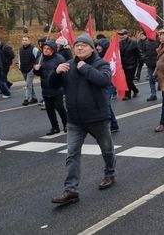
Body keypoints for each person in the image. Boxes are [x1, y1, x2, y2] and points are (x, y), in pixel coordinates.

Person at [50, 34, 115, 205]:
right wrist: (56, 73)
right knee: (71, 154)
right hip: (74, 120)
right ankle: (71, 190)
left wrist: (84, 68)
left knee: (106, 149)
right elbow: (52, 85)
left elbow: (104, 81)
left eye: (83, 45)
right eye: (76, 46)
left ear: (92, 48)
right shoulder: (68, 65)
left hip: (97, 118)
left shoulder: (101, 63)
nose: (79, 48)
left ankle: (109, 173)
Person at [33, 41, 68, 135]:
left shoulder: (59, 58)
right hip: (45, 88)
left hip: (57, 88)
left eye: (48, 49)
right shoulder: (40, 59)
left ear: (53, 50)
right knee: (49, 109)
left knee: (59, 107)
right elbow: (38, 73)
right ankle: (55, 127)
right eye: (44, 49)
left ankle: (66, 124)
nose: (46, 50)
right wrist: (36, 69)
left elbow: (65, 72)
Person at [95, 38, 119, 133]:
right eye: (97, 46)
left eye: (99, 46)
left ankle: (113, 124)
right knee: (103, 104)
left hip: (109, 84)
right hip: (99, 83)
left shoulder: (110, 57)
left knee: (106, 103)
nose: (97, 48)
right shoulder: (96, 56)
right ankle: (113, 124)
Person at [118, 29, 140, 100]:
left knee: (128, 80)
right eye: (120, 35)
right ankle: (135, 90)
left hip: (131, 64)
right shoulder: (120, 43)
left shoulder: (133, 42)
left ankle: (127, 95)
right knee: (127, 80)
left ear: (127, 34)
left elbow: (138, 53)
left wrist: (139, 63)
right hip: (123, 64)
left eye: (123, 34)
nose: (122, 36)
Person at [18, 36, 39, 105]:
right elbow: (19, 58)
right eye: (23, 40)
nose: (24, 41)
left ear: (29, 41)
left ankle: (27, 98)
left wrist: (35, 66)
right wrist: (19, 66)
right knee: (29, 84)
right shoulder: (20, 49)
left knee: (27, 84)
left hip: (31, 69)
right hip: (23, 69)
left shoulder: (34, 49)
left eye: (26, 40)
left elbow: (38, 58)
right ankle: (34, 98)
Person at [140, 33, 160, 101]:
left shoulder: (159, 41)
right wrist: (145, 59)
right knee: (151, 79)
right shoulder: (146, 42)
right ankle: (153, 94)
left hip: (159, 64)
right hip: (149, 64)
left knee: (161, 79)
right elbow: (142, 51)